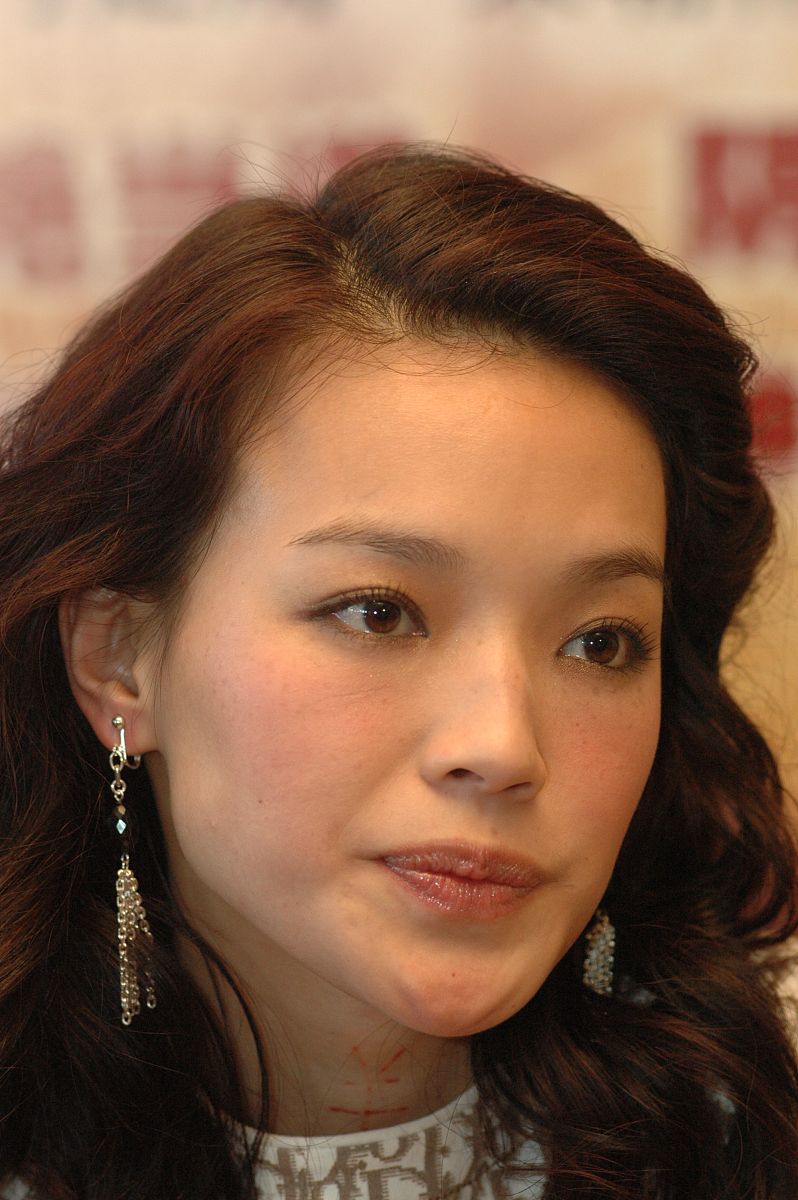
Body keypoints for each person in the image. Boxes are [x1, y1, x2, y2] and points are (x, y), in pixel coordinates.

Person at [0, 144, 796, 1200]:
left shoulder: (756, 1111)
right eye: (379, 613)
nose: (501, 748)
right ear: (118, 659)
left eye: (600, 641)